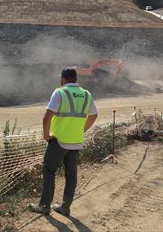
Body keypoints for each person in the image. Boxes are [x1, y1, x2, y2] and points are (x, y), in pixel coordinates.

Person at [28, 68, 98, 216]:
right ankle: (65, 207)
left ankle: (44, 206)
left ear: (62, 79)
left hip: (59, 140)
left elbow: (47, 116)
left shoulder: (60, 92)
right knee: (71, 175)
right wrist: (82, 130)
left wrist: (46, 135)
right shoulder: (86, 94)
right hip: (76, 141)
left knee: (49, 170)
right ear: (76, 78)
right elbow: (94, 115)